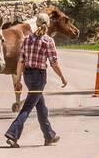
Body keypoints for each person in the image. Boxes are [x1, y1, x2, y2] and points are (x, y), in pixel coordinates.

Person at [5, 13, 68, 147]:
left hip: (28, 76)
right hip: (39, 77)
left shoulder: (27, 39)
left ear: (37, 24)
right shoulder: (48, 41)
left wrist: (18, 80)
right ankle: (12, 134)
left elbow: (21, 61)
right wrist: (62, 77)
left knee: (40, 106)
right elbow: (54, 63)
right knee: (27, 107)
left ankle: (49, 135)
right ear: (48, 24)